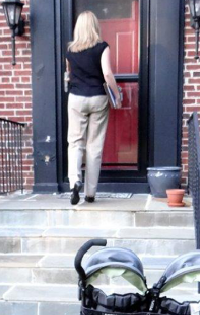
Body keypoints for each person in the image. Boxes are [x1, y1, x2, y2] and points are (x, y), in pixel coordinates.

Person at [66, 11, 121, 205]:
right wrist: (117, 95)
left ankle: (75, 181)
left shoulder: (70, 50)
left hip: (76, 98)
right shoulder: (102, 47)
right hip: (98, 97)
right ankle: (90, 193)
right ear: (95, 26)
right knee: (94, 146)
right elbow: (107, 73)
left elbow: (68, 75)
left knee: (75, 143)